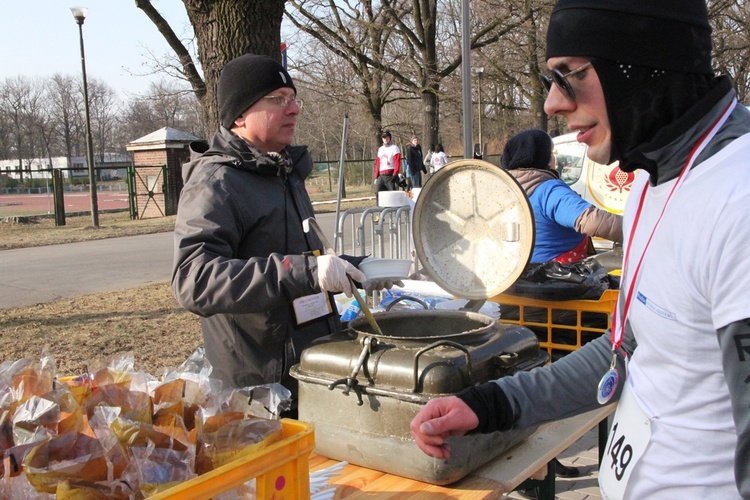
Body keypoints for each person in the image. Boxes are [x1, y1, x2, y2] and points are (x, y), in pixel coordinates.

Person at [411, 1, 750, 498]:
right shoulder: (649, 183)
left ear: (642, 66)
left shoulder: (737, 198)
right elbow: (629, 353)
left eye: (570, 75)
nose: (553, 103)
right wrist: (490, 405)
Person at [171, 54, 386, 410]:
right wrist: (307, 271)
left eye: (293, 98)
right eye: (278, 100)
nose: (294, 109)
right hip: (260, 389)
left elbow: (300, 263)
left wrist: (359, 267)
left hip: (310, 372)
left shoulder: (284, 171)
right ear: (239, 115)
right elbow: (194, 280)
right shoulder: (216, 182)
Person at [501, 129, 622, 264]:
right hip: (557, 279)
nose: (555, 159)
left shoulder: (505, 194)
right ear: (544, 159)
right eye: (551, 154)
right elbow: (591, 220)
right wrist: (635, 229)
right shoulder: (549, 190)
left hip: (520, 276)